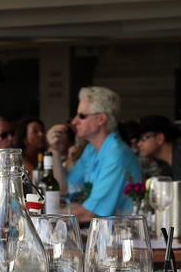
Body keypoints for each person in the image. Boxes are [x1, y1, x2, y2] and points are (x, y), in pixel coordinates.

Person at [45, 86, 142, 222]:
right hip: (105, 234)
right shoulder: (91, 150)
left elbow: (91, 213)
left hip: (123, 237)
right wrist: (55, 149)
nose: (74, 122)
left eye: (82, 116)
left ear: (101, 119)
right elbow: (63, 189)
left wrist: (45, 217)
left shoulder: (116, 155)